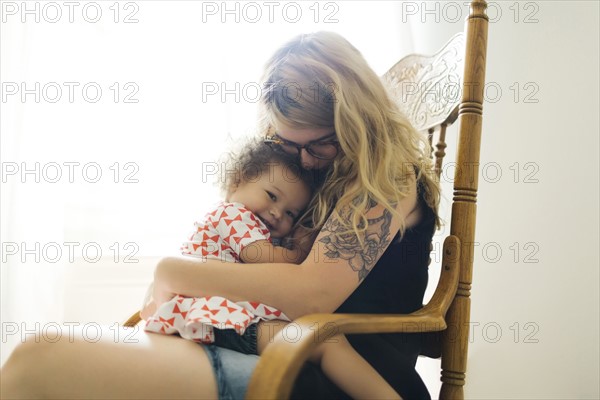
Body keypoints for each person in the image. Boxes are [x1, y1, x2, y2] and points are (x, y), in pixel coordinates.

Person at [1, 31, 440, 400]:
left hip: (340, 374)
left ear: (355, 122)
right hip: (272, 344)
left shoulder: (388, 178)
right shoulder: (317, 176)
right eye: (289, 145)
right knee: (39, 358)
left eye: (318, 144)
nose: (304, 161)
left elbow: (312, 296)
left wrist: (178, 272)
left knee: (39, 361)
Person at [143, 140, 405, 399]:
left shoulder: (255, 226)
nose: (277, 213)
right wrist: (301, 248)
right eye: (271, 196)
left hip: (228, 319)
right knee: (326, 343)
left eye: (291, 213)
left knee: (326, 341)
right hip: (220, 319)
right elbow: (263, 257)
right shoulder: (232, 215)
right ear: (237, 182)